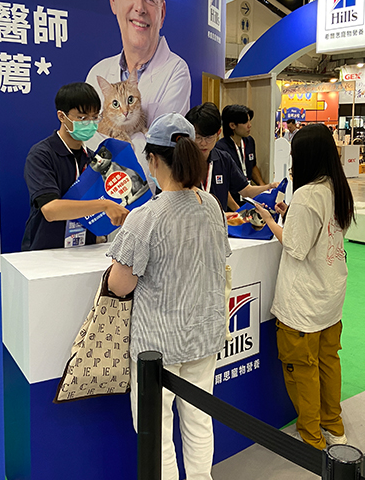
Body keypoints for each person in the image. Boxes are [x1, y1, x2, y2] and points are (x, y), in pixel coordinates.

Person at [107, 113, 231, 480]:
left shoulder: (146, 216)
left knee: (156, 434)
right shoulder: (211, 205)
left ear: (153, 159)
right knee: (199, 422)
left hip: (157, 347)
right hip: (204, 336)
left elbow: (119, 285)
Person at [253, 124, 354, 450]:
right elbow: (320, 231)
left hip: (303, 301)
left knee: (302, 369)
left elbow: (296, 246)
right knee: (328, 361)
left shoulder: (307, 194)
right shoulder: (336, 186)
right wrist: (290, 214)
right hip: (330, 295)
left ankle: (312, 437)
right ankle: (333, 425)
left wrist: (271, 221)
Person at [86, 0, 191, 128]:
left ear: (162, 13)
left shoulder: (176, 72)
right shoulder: (97, 73)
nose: (140, 8)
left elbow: (162, 143)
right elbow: (87, 139)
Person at [21, 83, 129, 251]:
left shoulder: (94, 159)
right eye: (82, 118)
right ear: (62, 116)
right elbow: (50, 210)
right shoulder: (42, 155)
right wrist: (104, 205)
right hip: (46, 252)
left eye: (94, 117)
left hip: (86, 251)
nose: (90, 123)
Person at [186, 103, 278, 212]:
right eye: (198, 137)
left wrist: (269, 187)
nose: (203, 143)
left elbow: (246, 190)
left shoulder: (224, 159)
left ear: (218, 133)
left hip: (220, 221)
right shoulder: (181, 160)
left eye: (208, 137)